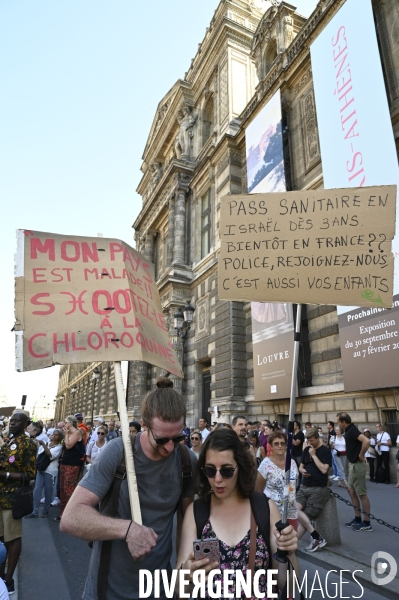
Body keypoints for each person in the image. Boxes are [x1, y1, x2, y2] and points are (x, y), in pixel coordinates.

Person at [60, 378, 197, 600]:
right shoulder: (118, 453)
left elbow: (186, 527)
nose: (170, 447)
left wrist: (182, 584)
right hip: (106, 590)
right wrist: (126, 529)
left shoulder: (186, 460)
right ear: (144, 425)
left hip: (159, 590)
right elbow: (71, 518)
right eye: (162, 440)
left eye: (179, 438)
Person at [175, 428, 299, 599]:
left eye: (226, 471)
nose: (217, 479)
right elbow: (179, 590)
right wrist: (187, 574)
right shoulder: (197, 512)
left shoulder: (264, 508)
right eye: (210, 470)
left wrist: (289, 552)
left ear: (240, 467)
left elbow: (288, 585)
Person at [0, 412, 37, 595]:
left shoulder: (28, 444)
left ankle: (9, 580)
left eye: (16, 421)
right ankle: (0, 577)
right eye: (11, 420)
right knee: (0, 539)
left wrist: (6, 475)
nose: (12, 423)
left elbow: (30, 475)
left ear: (25, 424)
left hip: (13, 498)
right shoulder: (8, 441)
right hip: (0, 495)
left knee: (13, 537)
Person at [296, 427, 332, 552]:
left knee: (306, 518)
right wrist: (303, 471)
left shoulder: (325, 451)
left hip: (317, 488)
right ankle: (316, 536)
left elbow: (324, 470)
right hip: (304, 485)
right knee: (295, 509)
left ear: (318, 438)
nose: (310, 443)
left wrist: (314, 455)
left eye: (312, 440)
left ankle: (293, 543)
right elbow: (301, 466)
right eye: (308, 441)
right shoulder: (306, 449)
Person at [337, 412, 372, 531]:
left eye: (339, 422)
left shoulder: (352, 430)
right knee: (351, 491)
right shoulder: (349, 430)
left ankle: (367, 523)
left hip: (357, 465)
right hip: (352, 465)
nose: (338, 424)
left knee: (362, 493)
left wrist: (361, 454)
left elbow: (366, 441)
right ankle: (357, 518)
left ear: (343, 421)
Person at [256, 431, 298, 529]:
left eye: (282, 443)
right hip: (272, 512)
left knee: (291, 541)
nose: (280, 446)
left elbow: (295, 484)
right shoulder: (265, 464)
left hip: (291, 511)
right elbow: (258, 490)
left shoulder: (292, 463)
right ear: (271, 446)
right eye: (276, 443)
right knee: (276, 541)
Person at [26, 429, 64, 518]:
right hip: (41, 470)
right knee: (37, 491)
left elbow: (50, 455)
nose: (53, 436)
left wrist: (43, 445)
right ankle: (34, 512)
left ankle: (45, 511)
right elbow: (38, 455)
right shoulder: (46, 443)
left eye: (56, 435)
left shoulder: (59, 447)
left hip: (50, 472)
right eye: (53, 434)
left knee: (48, 492)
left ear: (59, 437)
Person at [54, 416, 84, 523]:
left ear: (71, 423)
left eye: (66, 422)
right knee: (62, 489)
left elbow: (68, 445)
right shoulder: (69, 433)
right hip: (64, 463)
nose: (64, 424)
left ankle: (71, 514)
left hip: (73, 464)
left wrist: (66, 435)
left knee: (69, 489)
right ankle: (63, 514)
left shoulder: (77, 432)